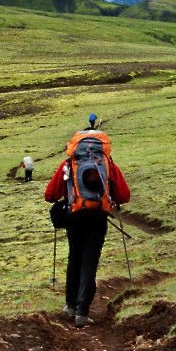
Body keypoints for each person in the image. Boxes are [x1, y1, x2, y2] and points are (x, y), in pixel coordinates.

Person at [43, 114, 129, 327]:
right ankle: (82, 311)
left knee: (75, 259)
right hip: (98, 218)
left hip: (74, 217)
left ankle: (70, 306)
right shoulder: (107, 164)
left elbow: (49, 195)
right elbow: (124, 195)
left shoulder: (69, 163)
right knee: (90, 262)